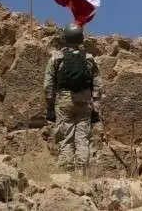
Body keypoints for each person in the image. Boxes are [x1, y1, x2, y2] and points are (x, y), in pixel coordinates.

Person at [43, 23, 102, 173]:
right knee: (83, 138)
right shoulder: (89, 58)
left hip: (64, 100)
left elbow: (48, 85)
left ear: (65, 38)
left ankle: (66, 173)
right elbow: (97, 84)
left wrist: (50, 106)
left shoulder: (57, 58)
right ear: (81, 39)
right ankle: (82, 172)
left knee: (66, 137)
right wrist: (96, 105)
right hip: (84, 101)